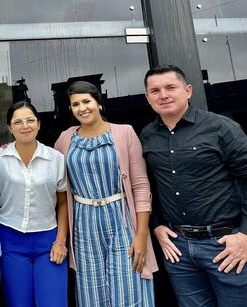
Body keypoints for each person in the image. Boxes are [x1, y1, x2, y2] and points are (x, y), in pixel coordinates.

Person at [141, 65, 247, 307]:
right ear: (148, 98)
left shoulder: (220, 128)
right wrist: (156, 225)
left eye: (170, 87)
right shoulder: (147, 135)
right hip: (177, 249)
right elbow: (150, 185)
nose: (163, 95)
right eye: (155, 91)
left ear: (188, 90)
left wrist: (245, 234)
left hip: (225, 245)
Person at [54, 81, 156, 307]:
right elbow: (49, 172)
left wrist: (141, 235)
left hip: (121, 220)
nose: (82, 108)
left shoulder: (124, 132)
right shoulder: (65, 139)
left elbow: (140, 186)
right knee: (91, 292)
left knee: (128, 286)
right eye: (75, 104)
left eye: (86, 101)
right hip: (83, 224)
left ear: (98, 103)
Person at [0, 101, 68, 307]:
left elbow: (63, 203)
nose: (25, 126)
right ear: (9, 128)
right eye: (17, 122)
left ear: (38, 124)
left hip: (48, 241)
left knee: (53, 302)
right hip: (10, 240)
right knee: (19, 303)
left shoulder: (56, 158)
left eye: (30, 120)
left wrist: (60, 241)